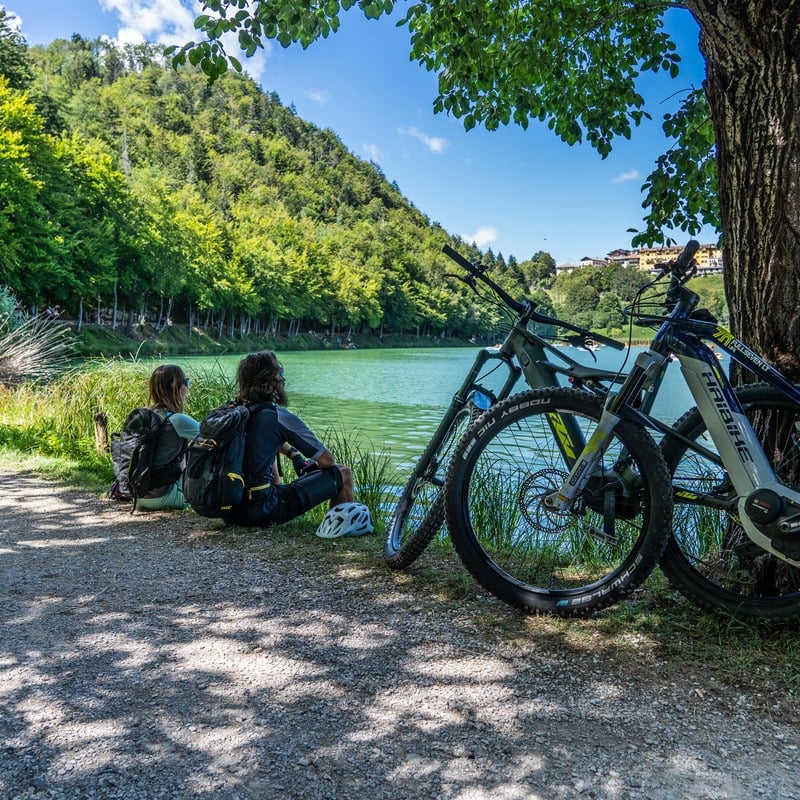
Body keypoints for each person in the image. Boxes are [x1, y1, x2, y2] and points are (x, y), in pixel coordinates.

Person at [220, 350, 366, 534]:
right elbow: (327, 461)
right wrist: (310, 464)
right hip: (261, 511)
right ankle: (338, 531)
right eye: (280, 374)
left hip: (229, 510)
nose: (283, 379)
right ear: (271, 381)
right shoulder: (279, 417)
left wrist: (293, 454)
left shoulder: (235, 412)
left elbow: (258, 443)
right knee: (343, 473)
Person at [135, 364, 200, 511]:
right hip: (164, 496)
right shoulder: (178, 420)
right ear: (175, 386)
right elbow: (215, 435)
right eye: (186, 383)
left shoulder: (144, 415)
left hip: (139, 495)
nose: (187, 388)